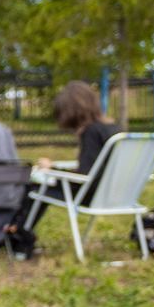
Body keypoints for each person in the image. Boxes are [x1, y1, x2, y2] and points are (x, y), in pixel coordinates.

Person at [23, 80, 121, 228]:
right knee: (42, 184)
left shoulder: (91, 132)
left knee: (34, 188)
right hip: (114, 194)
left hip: (91, 196)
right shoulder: (113, 128)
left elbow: (83, 176)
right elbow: (95, 166)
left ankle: (17, 233)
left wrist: (51, 171)